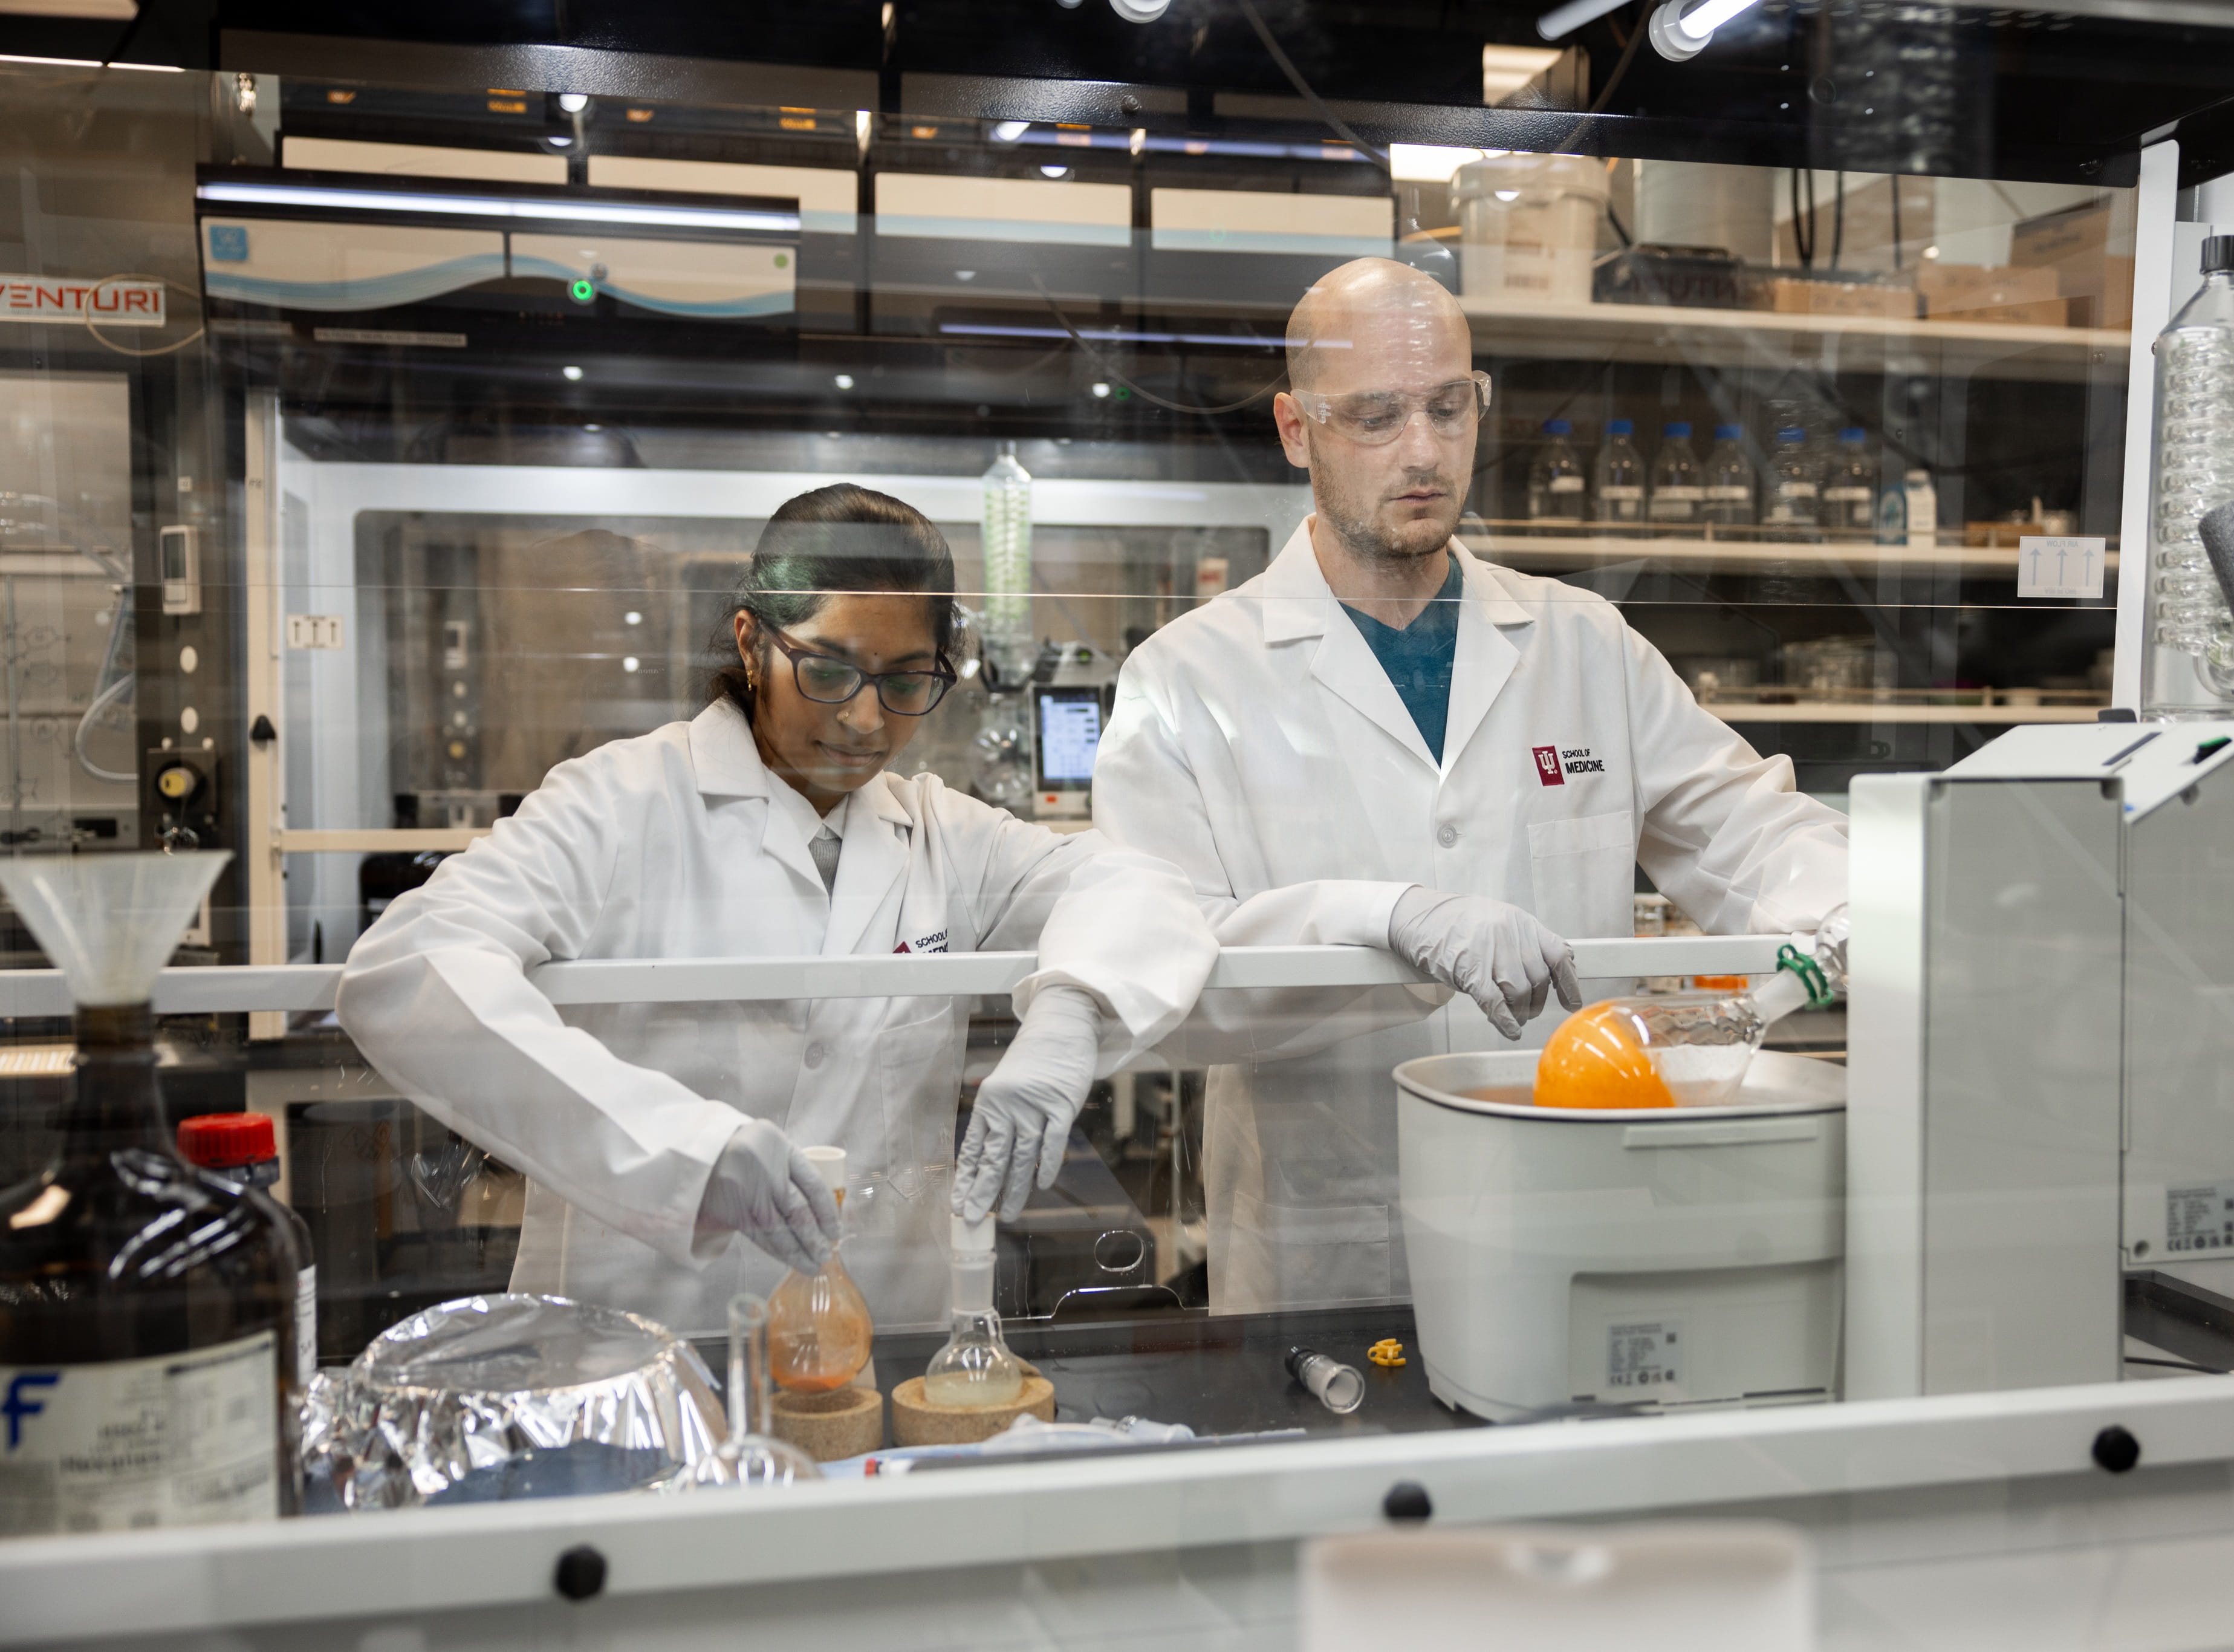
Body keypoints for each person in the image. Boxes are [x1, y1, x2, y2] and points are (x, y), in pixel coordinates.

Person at [1093, 258, 1849, 1313]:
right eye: (1376, 416)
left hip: (1567, 1208)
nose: (1424, 451)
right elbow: (1161, 988)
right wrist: (1389, 923)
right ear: (1295, 430)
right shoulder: (1185, 677)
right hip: (1327, 1243)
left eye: (1451, 408)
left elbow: (1749, 830)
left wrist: (1852, 898)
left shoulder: (1583, 644)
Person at [337, 485, 1216, 1336]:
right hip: (654, 1346)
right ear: (753, 644)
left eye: (908, 681)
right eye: (830, 671)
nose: (867, 720)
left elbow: (1138, 884)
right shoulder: (619, 803)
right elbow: (409, 968)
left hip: (886, 1345)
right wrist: (684, 1151)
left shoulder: (942, 831)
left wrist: (1070, 1010)